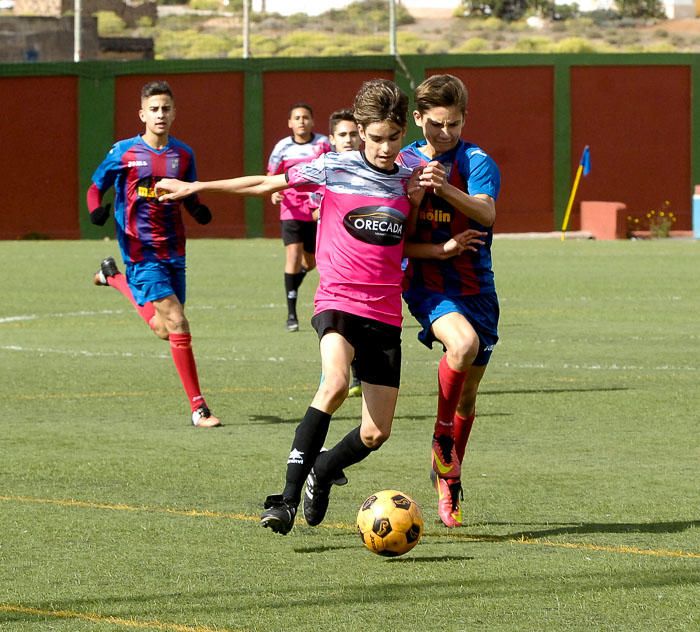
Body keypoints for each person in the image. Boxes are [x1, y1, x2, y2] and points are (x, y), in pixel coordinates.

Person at [156, 79, 483, 535]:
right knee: (333, 382)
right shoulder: (333, 166)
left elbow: (405, 234)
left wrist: (443, 240)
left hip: (385, 311)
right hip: (337, 299)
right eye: (375, 138)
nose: (386, 148)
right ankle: (284, 500)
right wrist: (197, 186)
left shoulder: (413, 169)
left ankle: (324, 470)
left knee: (375, 434)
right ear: (360, 131)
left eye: (392, 137)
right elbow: (264, 183)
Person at [87, 80, 221, 429]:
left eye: (166, 108)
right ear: (142, 114)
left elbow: (188, 192)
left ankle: (113, 278)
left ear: (174, 112)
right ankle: (198, 408)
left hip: (174, 248)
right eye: (154, 109)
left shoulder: (184, 154)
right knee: (178, 322)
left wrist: (197, 209)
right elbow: (95, 186)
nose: (161, 114)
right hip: (139, 249)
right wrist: (95, 210)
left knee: (165, 329)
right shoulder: (124, 152)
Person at [398, 74, 501, 528]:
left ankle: (448, 479)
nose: (445, 133)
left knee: (468, 397)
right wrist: (416, 200)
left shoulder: (477, 160)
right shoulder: (401, 161)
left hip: (477, 287)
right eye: (436, 124)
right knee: (461, 345)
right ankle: (442, 440)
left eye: (454, 124)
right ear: (418, 118)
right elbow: (396, 237)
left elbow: (486, 212)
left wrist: (445, 189)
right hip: (427, 283)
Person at [267, 103, 331, 332]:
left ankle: (294, 281)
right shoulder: (282, 147)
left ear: (312, 121)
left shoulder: (324, 144)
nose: (302, 121)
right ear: (290, 123)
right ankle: (291, 314)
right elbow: (271, 175)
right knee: (293, 256)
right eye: (297, 117)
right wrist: (274, 191)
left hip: (316, 210)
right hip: (291, 209)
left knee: (311, 262)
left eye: (306, 117)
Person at [327, 108, 362, 397]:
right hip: (339, 265)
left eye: (353, 134)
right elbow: (275, 182)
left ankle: (358, 373)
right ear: (332, 139)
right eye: (343, 135)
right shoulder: (326, 167)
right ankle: (337, 375)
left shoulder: (386, 170)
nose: (349, 140)